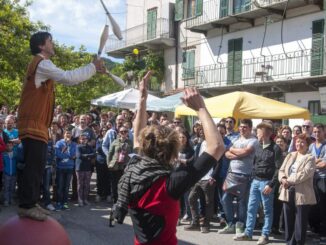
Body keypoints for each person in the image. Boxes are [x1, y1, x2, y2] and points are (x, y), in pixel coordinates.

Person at [114, 71, 225, 245]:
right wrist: (201, 108)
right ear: (173, 150)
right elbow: (217, 147)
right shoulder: (171, 183)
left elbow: (137, 136)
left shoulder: (135, 168)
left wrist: (142, 99)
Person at [16, 31, 105, 221]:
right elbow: (69, 77)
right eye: (50, 41)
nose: (53, 43)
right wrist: (92, 67)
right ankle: (26, 205)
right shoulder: (42, 63)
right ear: (41, 46)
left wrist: (93, 68)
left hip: (36, 124)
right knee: (34, 166)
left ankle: (30, 203)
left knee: (37, 165)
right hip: (33, 124)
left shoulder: (42, 64)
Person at [235, 122, 282, 244]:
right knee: (251, 208)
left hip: (267, 183)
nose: (257, 134)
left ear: (267, 133)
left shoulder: (276, 148)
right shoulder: (258, 146)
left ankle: (265, 235)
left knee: (267, 210)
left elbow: (278, 169)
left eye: (259, 131)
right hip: (255, 182)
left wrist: (271, 185)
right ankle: (248, 233)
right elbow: (255, 164)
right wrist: (253, 179)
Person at [220, 119, 259, 235]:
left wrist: (232, 150)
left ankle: (240, 225)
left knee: (242, 202)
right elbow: (226, 154)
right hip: (231, 173)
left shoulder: (253, 140)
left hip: (245, 175)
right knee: (225, 199)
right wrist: (236, 152)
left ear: (250, 128)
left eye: (245, 127)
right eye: (241, 127)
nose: (242, 129)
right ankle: (231, 224)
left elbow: (246, 152)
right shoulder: (237, 139)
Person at [278, 134, 316, 245]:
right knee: (288, 220)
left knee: (300, 222)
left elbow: (304, 174)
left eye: (302, 142)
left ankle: (299, 243)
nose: (299, 144)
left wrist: (288, 181)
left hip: (301, 193)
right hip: (287, 190)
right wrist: (283, 179)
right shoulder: (290, 155)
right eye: (297, 142)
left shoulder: (310, 158)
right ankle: (289, 242)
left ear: (308, 145)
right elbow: (281, 170)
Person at [308, 124, 326, 243]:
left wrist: (315, 162)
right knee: (313, 205)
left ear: (324, 132)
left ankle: (324, 233)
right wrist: (317, 161)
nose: (316, 134)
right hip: (312, 179)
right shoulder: (311, 146)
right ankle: (315, 230)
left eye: (319, 131)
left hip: (323, 179)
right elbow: (308, 160)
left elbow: (324, 164)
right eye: (314, 132)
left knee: (323, 207)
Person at [107, 126, 133, 204]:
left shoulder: (130, 142)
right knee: (115, 184)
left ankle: (123, 201)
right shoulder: (115, 142)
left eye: (125, 131)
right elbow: (110, 154)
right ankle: (115, 200)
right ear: (119, 133)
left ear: (127, 133)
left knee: (124, 184)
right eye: (121, 131)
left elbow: (132, 153)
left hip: (125, 166)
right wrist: (109, 164)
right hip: (115, 166)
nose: (123, 133)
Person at [75, 134, 96, 207]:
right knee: (80, 184)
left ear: (87, 140)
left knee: (87, 184)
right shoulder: (78, 146)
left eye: (85, 139)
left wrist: (86, 156)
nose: (84, 140)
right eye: (82, 139)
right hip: (80, 168)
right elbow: (79, 156)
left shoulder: (89, 147)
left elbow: (94, 154)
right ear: (80, 140)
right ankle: (80, 199)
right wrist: (88, 156)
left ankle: (85, 199)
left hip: (88, 168)